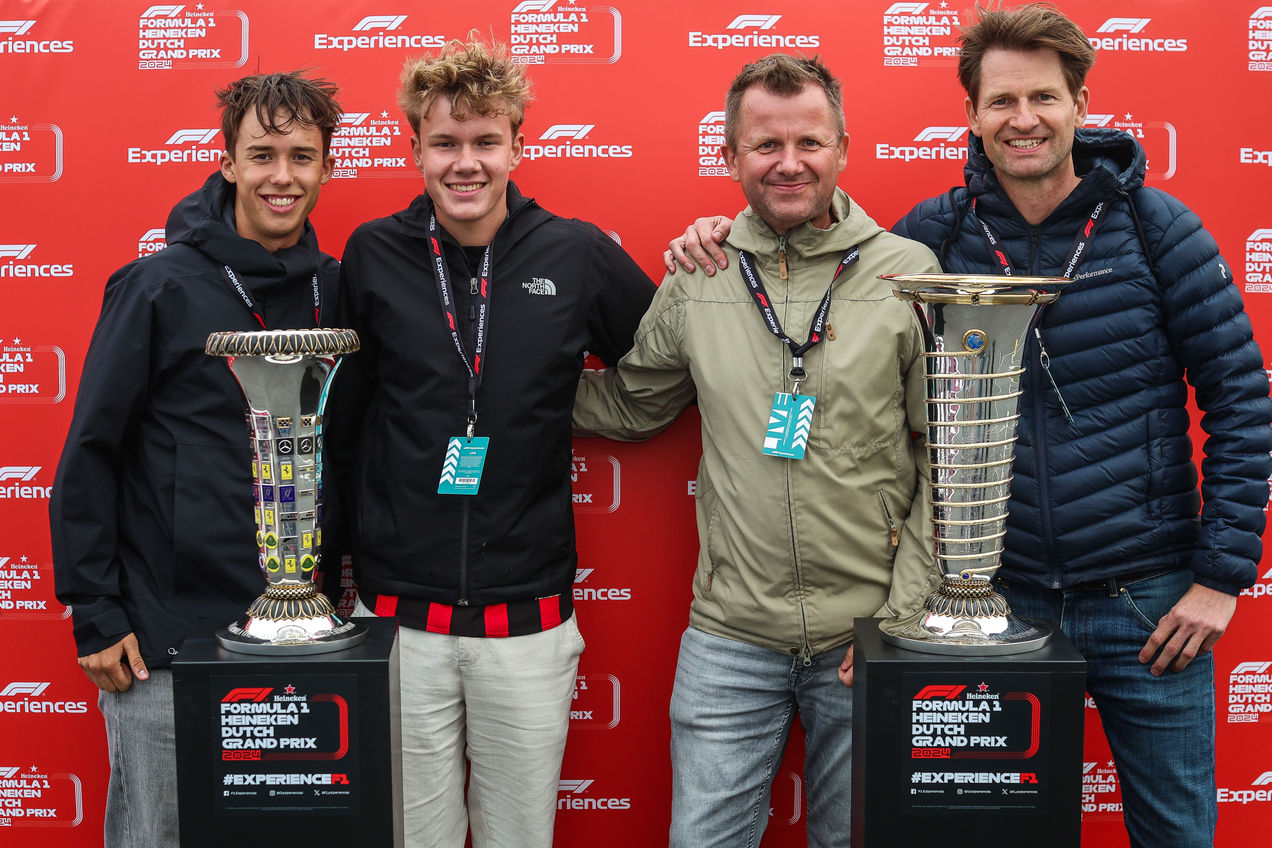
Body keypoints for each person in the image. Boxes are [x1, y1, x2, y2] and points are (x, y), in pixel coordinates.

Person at [668, 6, 1272, 847]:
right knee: (982, 833)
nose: (1023, 119)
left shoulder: (1155, 229)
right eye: (1001, 101)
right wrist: (713, 235)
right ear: (972, 115)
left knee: (1177, 832)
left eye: (1044, 97)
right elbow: (822, 266)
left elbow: (1241, 396)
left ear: (1079, 103)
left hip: (1146, 599)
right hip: (992, 597)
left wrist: (1220, 577)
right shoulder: (932, 240)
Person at [571, 54, 940, 848]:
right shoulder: (701, 274)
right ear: (731, 156)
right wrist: (505, 387)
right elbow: (634, 404)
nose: (789, 163)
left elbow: (946, 458)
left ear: (843, 147)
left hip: (866, 633)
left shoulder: (909, 274)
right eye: (765, 145)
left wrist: (898, 618)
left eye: (809, 142)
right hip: (729, 637)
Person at [327, 38, 655, 848]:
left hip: (528, 624)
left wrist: (561, 400)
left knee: (519, 837)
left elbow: (666, 367)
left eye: (484, 141)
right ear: (415, 149)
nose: (465, 163)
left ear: (517, 143)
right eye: (444, 143)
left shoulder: (575, 253)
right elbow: (342, 419)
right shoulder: (373, 253)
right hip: (399, 619)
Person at [50, 72, 343, 846]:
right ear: (228, 163)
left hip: (302, 647)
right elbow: (90, 453)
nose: (283, 177)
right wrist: (96, 611)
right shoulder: (157, 286)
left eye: (302, 157)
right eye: (262, 155)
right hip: (168, 645)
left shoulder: (337, 294)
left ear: (327, 167)